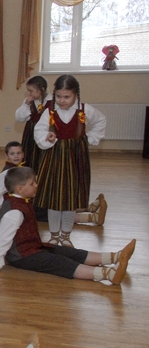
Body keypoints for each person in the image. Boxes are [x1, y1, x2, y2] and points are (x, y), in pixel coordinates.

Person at [0, 167, 134, 285]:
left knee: (67, 252)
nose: (36, 185)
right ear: (20, 188)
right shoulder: (14, 212)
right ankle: (108, 274)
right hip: (22, 256)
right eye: (32, 183)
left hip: (32, 248)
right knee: (59, 263)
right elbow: (2, 239)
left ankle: (115, 257)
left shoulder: (20, 202)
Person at [34, 75, 106, 247]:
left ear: (75, 95)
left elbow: (101, 120)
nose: (62, 100)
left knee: (69, 199)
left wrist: (90, 139)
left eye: (67, 97)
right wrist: (47, 137)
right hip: (54, 158)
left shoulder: (84, 110)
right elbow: (39, 130)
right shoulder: (49, 111)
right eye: (59, 96)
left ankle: (66, 236)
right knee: (54, 198)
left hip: (76, 159)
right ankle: (53, 235)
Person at [0, 141, 106, 226]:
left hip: (29, 202)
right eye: (13, 154)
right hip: (24, 204)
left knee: (53, 209)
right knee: (53, 212)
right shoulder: (8, 173)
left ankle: (89, 211)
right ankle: (91, 216)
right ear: (7, 156)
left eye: (19, 153)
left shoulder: (17, 168)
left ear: (23, 154)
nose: (16, 156)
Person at [15, 76, 49, 170]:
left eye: (31, 90)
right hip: (31, 133)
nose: (29, 93)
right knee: (31, 158)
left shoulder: (52, 102)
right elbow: (19, 118)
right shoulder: (29, 101)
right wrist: (26, 104)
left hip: (46, 133)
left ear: (41, 89)